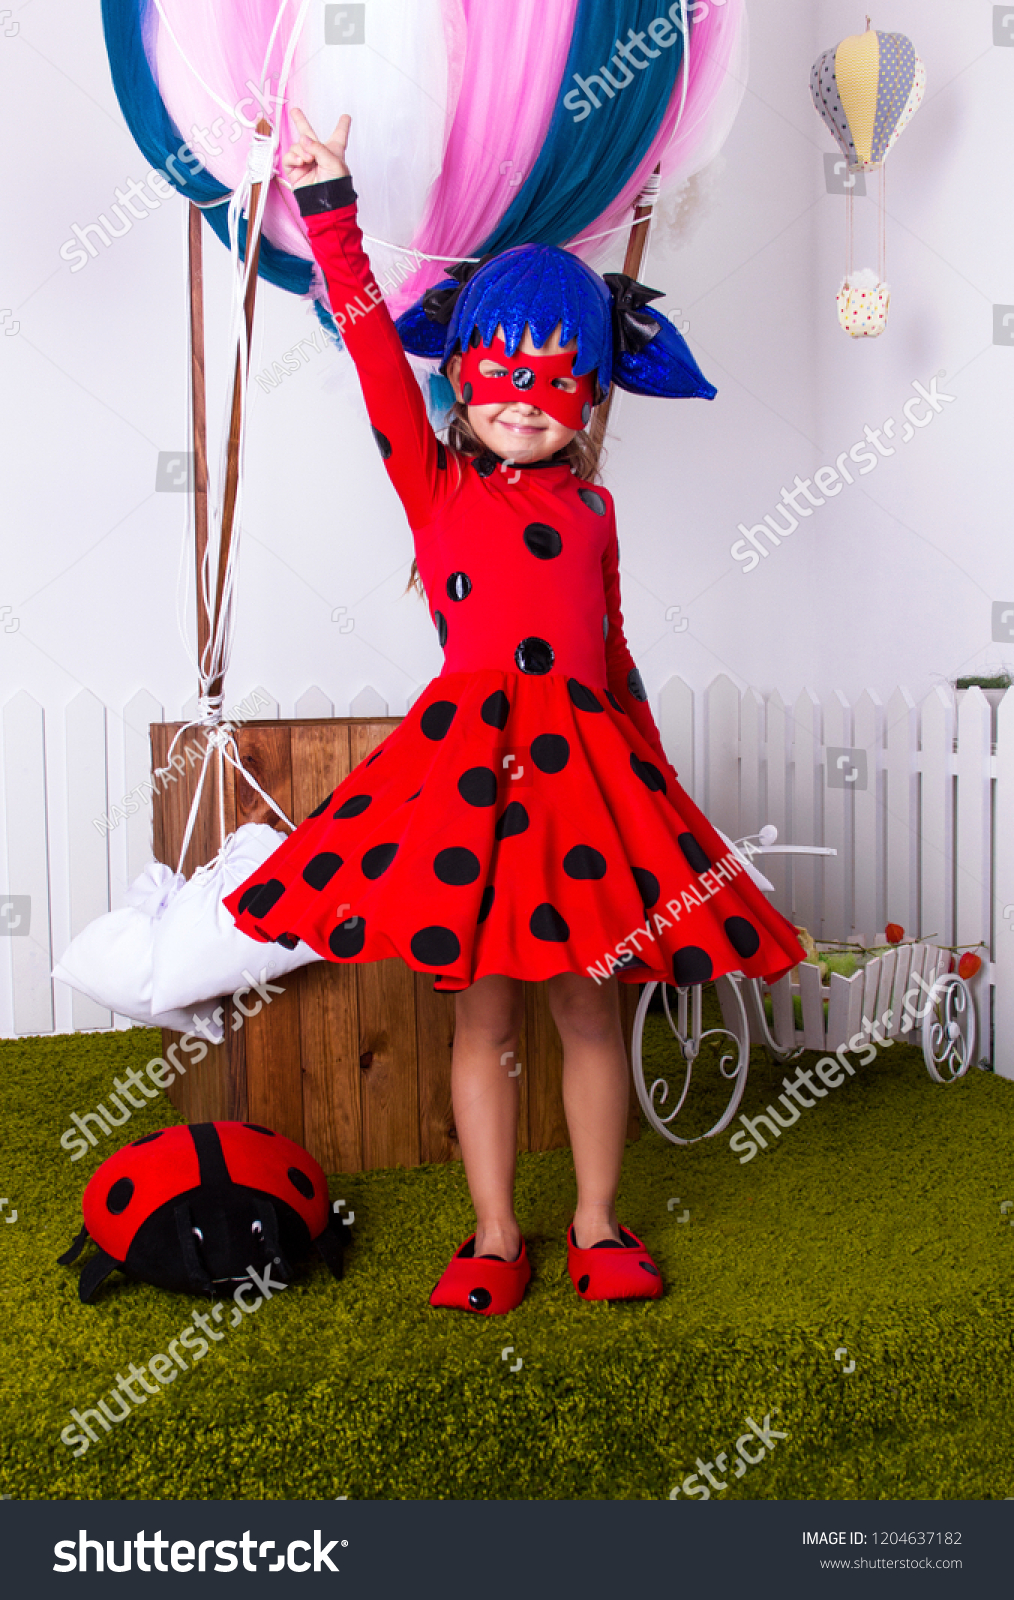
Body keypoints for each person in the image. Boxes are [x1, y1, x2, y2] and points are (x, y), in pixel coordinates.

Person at [224, 110, 805, 1316]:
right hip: (468, 788)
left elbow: (617, 650)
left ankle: (596, 1220)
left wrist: (656, 793)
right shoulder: (431, 486)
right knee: (482, 1011)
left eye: (556, 376)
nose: (526, 398)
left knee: (593, 1003)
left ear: (591, 395)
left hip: (587, 787)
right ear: (464, 378)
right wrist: (328, 205)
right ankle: (495, 1233)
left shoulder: (593, 515)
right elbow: (374, 351)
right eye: (501, 370)